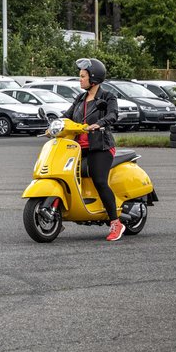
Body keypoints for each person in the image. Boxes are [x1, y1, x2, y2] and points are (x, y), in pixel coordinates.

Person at [64, 57, 124, 241]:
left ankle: (116, 223)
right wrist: (55, 124)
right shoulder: (80, 98)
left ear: (94, 78)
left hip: (100, 146)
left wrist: (99, 124)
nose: (80, 79)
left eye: (83, 76)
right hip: (78, 148)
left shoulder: (107, 97)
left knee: (99, 180)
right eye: (80, 76)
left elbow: (113, 114)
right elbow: (67, 116)